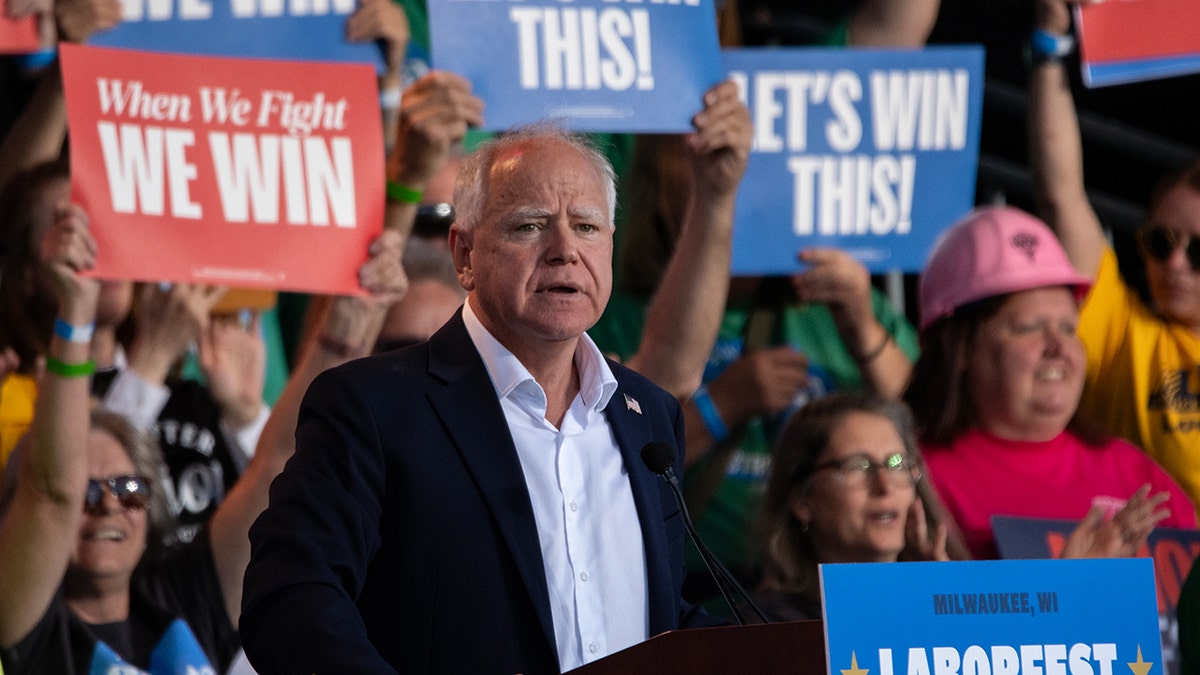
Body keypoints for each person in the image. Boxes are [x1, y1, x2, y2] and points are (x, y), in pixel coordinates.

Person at [240, 123, 727, 674]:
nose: (565, 250)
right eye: (530, 226)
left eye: (587, 226)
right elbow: (290, 600)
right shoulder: (372, 408)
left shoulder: (649, 418)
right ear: (465, 254)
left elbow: (653, 617)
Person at [0, 196, 405, 674]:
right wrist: (75, 315)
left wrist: (344, 333)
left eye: (131, 490)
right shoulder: (26, 620)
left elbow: (277, 463)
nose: (110, 505)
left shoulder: (180, 601)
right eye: (88, 492)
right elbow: (51, 492)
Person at [903, 205, 1195, 560]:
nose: (1059, 348)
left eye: (1069, 328)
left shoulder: (1136, 473)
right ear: (959, 348)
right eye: (1028, 327)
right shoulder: (910, 479)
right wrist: (1072, 590)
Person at [1028, 0, 1200, 505]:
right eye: (1160, 242)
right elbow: (1059, 193)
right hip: (1158, 577)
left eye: (1199, 252)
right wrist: (1048, 46)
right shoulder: (1123, 334)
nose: (1174, 264)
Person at [754, 391, 967, 621]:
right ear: (801, 500)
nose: (884, 486)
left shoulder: (945, 602)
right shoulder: (769, 627)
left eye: (896, 464)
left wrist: (947, 602)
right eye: (858, 466)